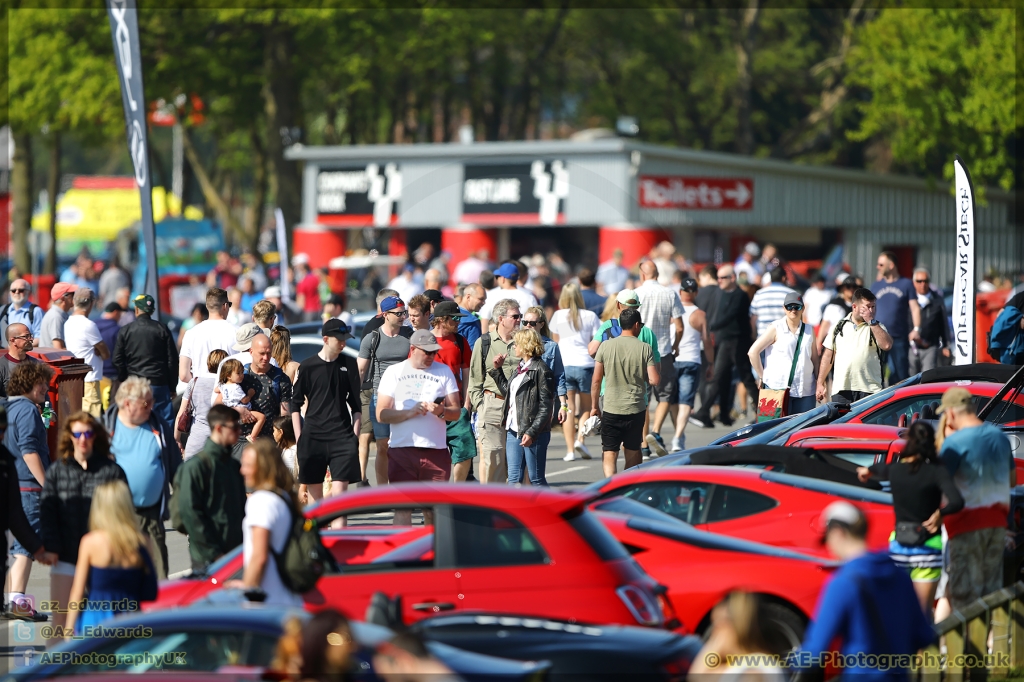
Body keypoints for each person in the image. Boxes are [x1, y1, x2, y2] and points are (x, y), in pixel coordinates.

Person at [798, 501, 936, 681]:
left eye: (828, 540)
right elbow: (923, 635)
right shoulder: (899, 575)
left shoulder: (843, 583)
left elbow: (814, 652)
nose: (829, 548)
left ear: (838, 533)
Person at [856, 421, 964, 615]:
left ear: (909, 442)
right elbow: (957, 501)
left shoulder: (896, 471)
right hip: (929, 547)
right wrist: (941, 513)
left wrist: (868, 471)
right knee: (921, 616)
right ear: (931, 442)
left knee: (897, 612)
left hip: (899, 546)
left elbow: (880, 469)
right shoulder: (936, 472)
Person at [40, 412, 127, 644]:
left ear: (95, 436)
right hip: (66, 555)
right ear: (69, 437)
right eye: (77, 434)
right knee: (60, 624)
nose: (82, 439)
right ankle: (55, 675)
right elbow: (47, 513)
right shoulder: (57, 471)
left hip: (102, 558)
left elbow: (123, 513)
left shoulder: (111, 471)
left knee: (104, 624)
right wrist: (51, 547)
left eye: (87, 433)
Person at [937, 387, 1015, 612]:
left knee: (963, 598)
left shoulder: (953, 444)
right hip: (997, 526)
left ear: (951, 413)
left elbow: (941, 485)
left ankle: (966, 647)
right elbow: (1010, 481)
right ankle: (988, 645)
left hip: (965, 526)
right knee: (990, 594)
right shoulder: (999, 437)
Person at [107, 376, 181, 580]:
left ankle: (156, 611)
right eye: (146, 403)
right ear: (127, 404)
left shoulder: (158, 425)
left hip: (152, 512)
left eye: (153, 401)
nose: (152, 406)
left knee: (157, 572)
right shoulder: (106, 428)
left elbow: (176, 466)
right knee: (122, 571)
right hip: (119, 514)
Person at [63, 480, 159, 635]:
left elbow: (78, 591)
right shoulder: (142, 541)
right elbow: (150, 589)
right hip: (131, 618)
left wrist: (68, 630)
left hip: (96, 619)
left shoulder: (90, 542)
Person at [377, 330, 461, 492]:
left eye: (434, 352)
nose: (431, 356)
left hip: (435, 451)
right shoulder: (394, 372)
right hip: (402, 449)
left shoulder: (444, 371)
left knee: (435, 510)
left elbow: (456, 412)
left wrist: (441, 411)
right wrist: (409, 412)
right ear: (413, 349)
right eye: (427, 352)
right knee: (403, 509)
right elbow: (381, 414)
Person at [224, 439, 303, 606]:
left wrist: (248, 590)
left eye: (247, 465)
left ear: (262, 468)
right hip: (287, 598)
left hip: (268, 602)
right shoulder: (283, 496)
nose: (242, 470)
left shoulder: (261, 501)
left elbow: (259, 557)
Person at [4, 361, 55, 621]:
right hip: (28, 486)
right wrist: (47, 485)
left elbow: (46, 425)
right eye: (42, 383)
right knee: (26, 547)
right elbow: (29, 450)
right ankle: (18, 603)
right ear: (28, 383)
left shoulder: (9, 407)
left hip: (13, 484)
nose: (46, 387)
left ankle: (9, 601)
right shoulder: (26, 411)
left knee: (13, 547)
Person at [292, 319, 361, 500]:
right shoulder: (307, 366)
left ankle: (337, 530)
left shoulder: (350, 364)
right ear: (325, 339)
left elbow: (356, 405)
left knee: (339, 500)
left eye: (345, 339)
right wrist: (300, 438)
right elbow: (295, 404)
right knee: (317, 503)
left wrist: (355, 436)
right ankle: (320, 529)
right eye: (339, 339)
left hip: (342, 437)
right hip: (313, 437)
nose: (343, 343)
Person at [174, 404, 246, 572]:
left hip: (235, 554)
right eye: (235, 427)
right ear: (219, 428)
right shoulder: (195, 467)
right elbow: (189, 516)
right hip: (208, 559)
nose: (239, 431)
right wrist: (214, 554)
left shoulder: (233, 466)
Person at [590, 308, 659, 477]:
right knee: (633, 451)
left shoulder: (605, 346)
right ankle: (625, 485)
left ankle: (609, 486)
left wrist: (594, 407)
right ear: (636, 325)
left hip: (611, 407)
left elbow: (596, 381)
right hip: (635, 408)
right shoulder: (645, 348)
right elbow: (654, 380)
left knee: (609, 452)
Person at [690, 264, 759, 429]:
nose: (719, 280)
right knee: (722, 377)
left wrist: (712, 326)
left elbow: (731, 314)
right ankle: (720, 414)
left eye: (723, 278)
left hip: (738, 341)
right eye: (718, 277)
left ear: (732, 278)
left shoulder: (740, 295)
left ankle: (761, 412)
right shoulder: (719, 293)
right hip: (724, 341)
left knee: (744, 377)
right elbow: (716, 313)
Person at [487, 328, 554, 486]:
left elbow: (546, 407)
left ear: (525, 345)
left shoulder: (542, 370)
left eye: (516, 343)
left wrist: (531, 432)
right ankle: (514, 511)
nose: (513, 347)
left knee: (536, 479)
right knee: (513, 478)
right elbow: (510, 394)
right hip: (513, 429)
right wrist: (497, 370)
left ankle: (552, 510)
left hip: (534, 432)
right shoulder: (521, 368)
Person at [358, 296, 413, 485]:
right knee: (383, 445)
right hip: (380, 397)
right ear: (385, 315)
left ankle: (404, 489)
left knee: (404, 445)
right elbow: (361, 370)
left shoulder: (409, 334)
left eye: (404, 313)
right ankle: (384, 491)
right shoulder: (372, 338)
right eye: (398, 314)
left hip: (406, 396)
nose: (402, 317)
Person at [468, 299, 521, 483]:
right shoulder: (484, 342)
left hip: (519, 405)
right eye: (515, 316)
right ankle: (492, 504)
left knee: (517, 462)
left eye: (519, 316)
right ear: (501, 319)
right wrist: (481, 405)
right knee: (493, 458)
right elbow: (475, 380)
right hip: (492, 404)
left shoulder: (523, 341)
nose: (519, 320)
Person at [635, 262, 684, 457]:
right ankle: (655, 431)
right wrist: (676, 345)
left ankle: (644, 443)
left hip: (639, 351)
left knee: (643, 399)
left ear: (642, 274)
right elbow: (679, 326)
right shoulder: (670, 293)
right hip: (663, 350)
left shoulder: (635, 293)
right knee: (665, 395)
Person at [550, 283, 601, 461]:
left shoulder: (559, 315)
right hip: (585, 364)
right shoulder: (590, 316)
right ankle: (581, 439)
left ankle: (570, 450)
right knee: (586, 407)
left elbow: (557, 340)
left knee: (568, 408)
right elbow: (595, 341)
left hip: (565, 365)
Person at [816, 288, 893, 403]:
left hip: (870, 389)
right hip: (842, 389)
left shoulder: (877, 327)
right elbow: (828, 356)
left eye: (873, 307)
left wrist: (871, 321)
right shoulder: (839, 326)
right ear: (854, 307)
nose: (871, 311)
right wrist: (820, 383)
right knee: (842, 421)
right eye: (867, 307)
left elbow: (887, 345)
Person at [221, 334, 292, 459]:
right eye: (261, 353)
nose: (266, 358)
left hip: (267, 444)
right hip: (238, 443)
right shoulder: (240, 375)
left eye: (269, 353)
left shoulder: (280, 378)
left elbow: (285, 416)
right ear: (251, 351)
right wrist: (237, 410)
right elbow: (217, 405)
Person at [748, 292, 819, 415]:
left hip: (806, 389)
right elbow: (753, 352)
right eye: (789, 307)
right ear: (784, 308)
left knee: (803, 430)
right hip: (777, 389)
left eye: (797, 307)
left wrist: (820, 382)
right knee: (778, 431)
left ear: (803, 308)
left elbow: (814, 358)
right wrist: (762, 376)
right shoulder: (776, 327)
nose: (793, 310)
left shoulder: (809, 330)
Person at [430, 301, 477, 482]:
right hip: (431, 408)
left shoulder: (460, 341)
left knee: (466, 449)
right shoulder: (424, 341)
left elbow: (467, 374)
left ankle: (455, 491)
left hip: (456, 407)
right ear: (442, 320)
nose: (459, 322)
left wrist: (466, 403)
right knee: (433, 455)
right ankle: (436, 495)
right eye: (455, 318)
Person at [689, 591, 788, 677]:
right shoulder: (751, 663)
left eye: (717, 628)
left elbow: (699, 676)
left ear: (732, 628)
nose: (713, 635)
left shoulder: (753, 670)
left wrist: (715, 646)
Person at [671, 279, 713, 452]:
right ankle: (678, 436)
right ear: (695, 293)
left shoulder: (672, 312)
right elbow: (707, 341)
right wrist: (711, 363)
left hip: (673, 359)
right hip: (692, 360)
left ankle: (678, 435)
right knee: (686, 401)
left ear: (680, 292)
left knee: (672, 400)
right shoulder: (700, 314)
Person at [872, 251, 922, 384]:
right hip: (878, 336)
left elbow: (915, 307)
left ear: (891, 265)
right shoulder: (876, 286)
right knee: (877, 375)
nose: (878, 267)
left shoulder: (906, 284)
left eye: (881, 264)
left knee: (900, 375)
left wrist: (916, 328)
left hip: (898, 337)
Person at [63, 288, 110, 417]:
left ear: (74, 301)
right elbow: (105, 353)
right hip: (90, 379)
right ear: (91, 303)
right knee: (91, 419)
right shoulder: (89, 325)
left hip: (75, 378)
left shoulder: (68, 323)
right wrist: (101, 352)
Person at [176, 350, 227, 459]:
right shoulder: (227, 385)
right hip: (219, 439)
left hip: (196, 440)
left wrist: (177, 439)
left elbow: (180, 414)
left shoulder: (194, 382)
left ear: (208, 364)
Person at [179, 287, 238, 383]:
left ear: (207, 306)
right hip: (229, 392)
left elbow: (183, 375)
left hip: (200, 393)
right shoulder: (237, 332)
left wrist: (200, 385)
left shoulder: (191, 334)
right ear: (225, 306)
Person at [910, 266, 951, 373]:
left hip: (930, 345)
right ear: (914, 282)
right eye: (919, 281)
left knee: (927, 376)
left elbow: (943, 323)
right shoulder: (910, 300)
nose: (922, 284)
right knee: (910, 378)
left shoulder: (936, 300)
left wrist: (946, 345)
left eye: (925, 281)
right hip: (912, 346)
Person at [478, 262, 537, 334]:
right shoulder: (529, 296)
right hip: (523, 340)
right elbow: (537, 321)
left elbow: (485, 321)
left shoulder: (491, 295)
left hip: (498, 341)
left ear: (502, 279)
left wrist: (485, 342)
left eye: (498, 277)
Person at [216, 358, 265, 442]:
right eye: (238, 373)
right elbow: (244, 400)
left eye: (242, 372)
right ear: (228, 375)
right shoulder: (236, 387)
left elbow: (216, 390)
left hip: (230, 411)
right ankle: (252, 436)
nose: (242, 375)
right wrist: (250, 394)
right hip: (242, 410)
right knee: (262, 417)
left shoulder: (223, 386)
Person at [749, 267, 796, 340]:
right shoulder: (791, 294)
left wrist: (753, 337)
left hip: (762, 339)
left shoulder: (759, 294)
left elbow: (753, 318)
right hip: (784, 339)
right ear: (783, 278)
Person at [815, 274, 857, 349]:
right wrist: (819, 343)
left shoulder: (859, 307)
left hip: (852, 345)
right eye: (848, 287)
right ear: (842, 289)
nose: (851, 289)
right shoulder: (834, 305)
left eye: (854, 287)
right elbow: (825, 324)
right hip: (834, 345)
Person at [0, 323, 41, 398]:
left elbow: (44, 395)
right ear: (13, 340)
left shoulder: (36, 364)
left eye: (30, 336)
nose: (31, 339)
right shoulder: (2, 366)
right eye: (26, 336)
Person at [95, 302, 122, 412]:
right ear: (116, 313)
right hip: (112, 376)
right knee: (111, 408)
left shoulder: (93, 325)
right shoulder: (117, 330)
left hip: (94, 374)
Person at [0, 278, 42, 346]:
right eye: (13, 290)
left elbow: (40, 338)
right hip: (4, 354)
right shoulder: (2, 310)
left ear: (28, 292)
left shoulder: (36, 311)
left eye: (21, 290)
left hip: (27, 355)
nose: (17, 292)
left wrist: (20, 347)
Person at [40, 281, 76, 349]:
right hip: (54, 359)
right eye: (72, 294)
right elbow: (58, 349)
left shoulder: (59, 315)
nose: (74, 297)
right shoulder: (56, 317)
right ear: (63, 298)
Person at [293, 253, 322, 323]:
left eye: (296, 266)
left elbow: (301, 303)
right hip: (319, 310)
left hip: (308, 312)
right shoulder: (316, 277)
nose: (295, 268)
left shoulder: (302, 282)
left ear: (302, 266)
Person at [456, 282, 485, 348]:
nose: (484, 303)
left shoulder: (448, 314)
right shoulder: (473, 322)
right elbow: (474, 351)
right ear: (468, 297)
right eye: (480, 299)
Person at [273, 415, 299, 486]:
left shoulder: (290, 453)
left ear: (281, 432)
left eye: (274, 430)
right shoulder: (287, 449)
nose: (273, 434)